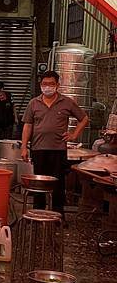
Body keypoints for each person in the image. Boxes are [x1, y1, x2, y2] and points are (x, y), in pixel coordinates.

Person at [21, 71, 89, 216]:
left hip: (58, 149)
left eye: (51, 84)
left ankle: (58, 215)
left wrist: (74, 134)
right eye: (44, 84)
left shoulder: (67, 102)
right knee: (38, 182)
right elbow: (27, 125)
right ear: (40, 85)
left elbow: (83, 119)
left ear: (57, 85)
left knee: (58, 183)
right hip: (38, 148)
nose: (47, 87)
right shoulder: (34, 103)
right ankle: (38, 213)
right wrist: (23, 147)